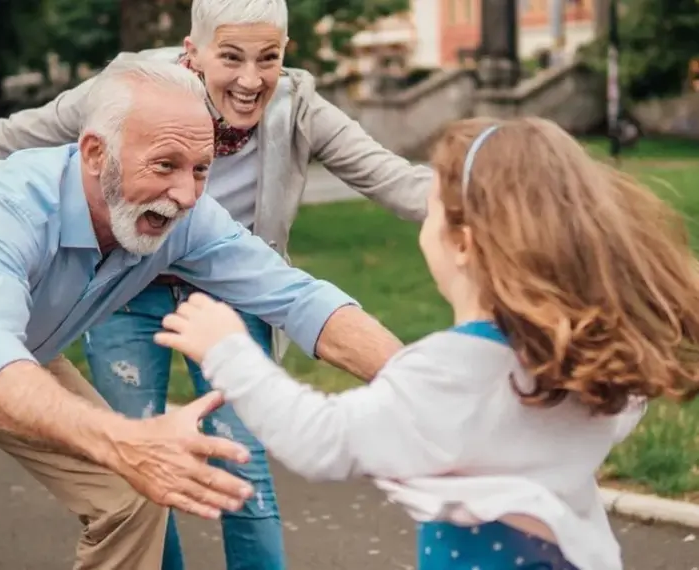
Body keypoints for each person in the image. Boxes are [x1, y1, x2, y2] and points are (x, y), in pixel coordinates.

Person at [0, 1, 430, 568]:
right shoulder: (10, 206)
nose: (187, 196)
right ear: (95, 154)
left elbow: (299, 298)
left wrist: (421, 385)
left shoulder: (187, 215)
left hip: (15, 353)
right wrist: (126, 439)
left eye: (202, 170)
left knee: (137, 496)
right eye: (165, 166)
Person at [152, 117, 699, 570]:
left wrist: (228, 350)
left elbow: (321, 440)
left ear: (462, 242)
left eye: (430, 207)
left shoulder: (450, 373)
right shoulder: (592, 365)